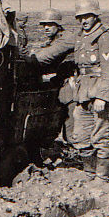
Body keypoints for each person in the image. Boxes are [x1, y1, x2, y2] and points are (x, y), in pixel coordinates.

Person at [64, 0, 109, 179]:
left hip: (100, 92)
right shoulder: (81, 36)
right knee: (80, 135)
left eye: (87, 16)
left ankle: (102, 177)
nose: (84, 21)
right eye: (80, 17)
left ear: (96, 16)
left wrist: (102, 97)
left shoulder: (105, 36)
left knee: (101, 136)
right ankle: (89, 173)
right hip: (83, 93)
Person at [29, 9, 76, 143]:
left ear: (58, 25)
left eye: (50, 24)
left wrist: (30, 59)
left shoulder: (67, 38)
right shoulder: (55, 40)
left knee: (72, 127)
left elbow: (44, 57)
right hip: (63, 84)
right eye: (44, 25)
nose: (46, 28)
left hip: (72, 86)